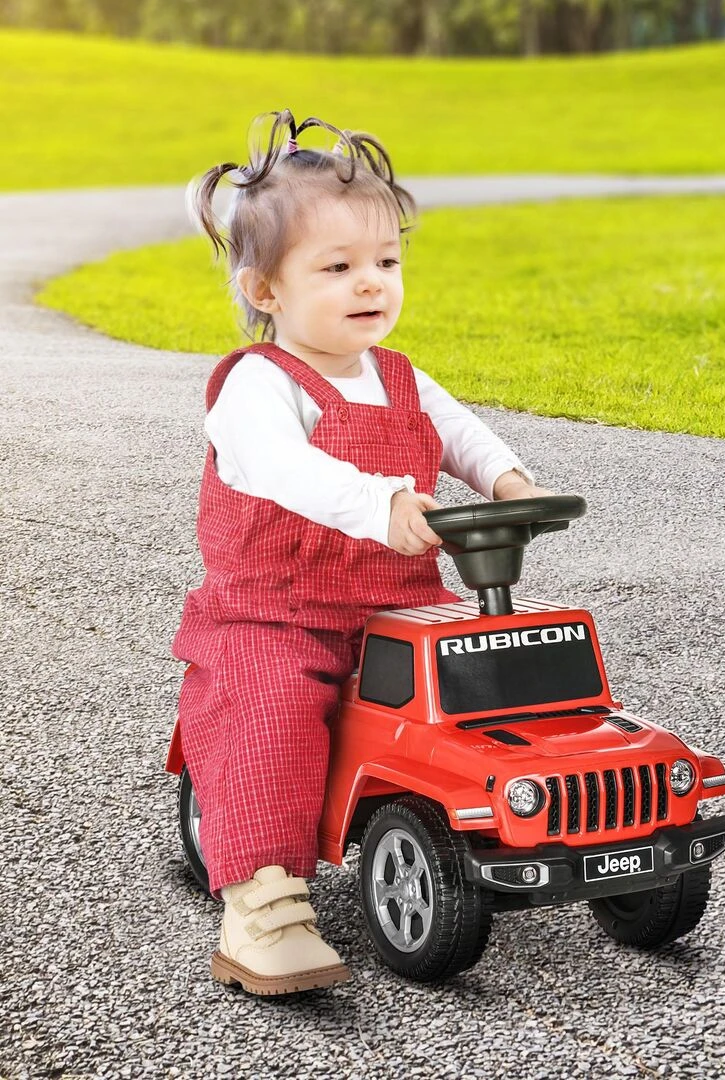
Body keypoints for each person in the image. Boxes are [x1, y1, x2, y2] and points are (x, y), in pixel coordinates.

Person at [172, 108, 550, 997]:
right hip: (279, 611)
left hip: (402, 610)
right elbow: (281, 468)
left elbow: (460, 435)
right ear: (265, 290)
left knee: (506, 670)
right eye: (337, 268)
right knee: (267, 713)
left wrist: (508, 482)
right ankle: (263, 905)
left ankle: (527, 820)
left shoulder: (403, 375)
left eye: (385, 263)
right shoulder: (257, 388)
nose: (369, 284)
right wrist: (377, 502)